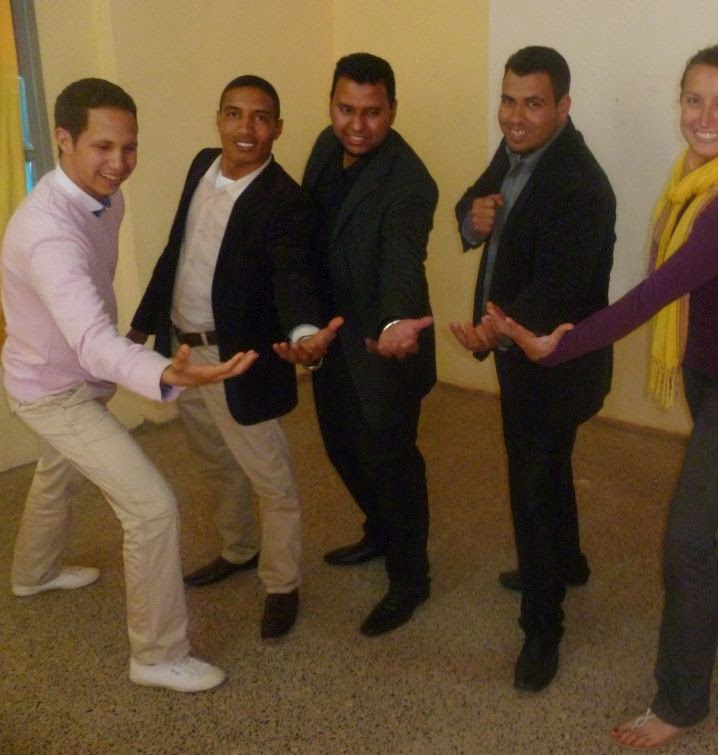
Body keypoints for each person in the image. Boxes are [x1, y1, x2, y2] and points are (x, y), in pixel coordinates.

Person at [487, 44, 718, 738]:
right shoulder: (701, 174)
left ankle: (680, 702)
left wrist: (562, 343)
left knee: (687, 537)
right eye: (693, 99)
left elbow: (657, 291)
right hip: (705, 363)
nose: (704, 115)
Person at [2, 78, 257, 691]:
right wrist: (162, 370)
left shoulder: (104, 199)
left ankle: (32, 573)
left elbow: (91, 309)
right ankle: (157, 653)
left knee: (56, 472)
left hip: (67, 371)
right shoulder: (48, 232)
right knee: (151, 507)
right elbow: (91, 337)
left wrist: (131, 346)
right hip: (52, 389)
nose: (119, 163)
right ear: (63, 140)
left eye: (130, 146)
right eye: (102, 147)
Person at [129, 75, 339, 641]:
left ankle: (282, 583)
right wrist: (141, 327)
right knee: (213, 459)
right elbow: (174, 251)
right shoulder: (202, 165)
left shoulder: (286, 199)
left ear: (278, 128)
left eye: (260, 117)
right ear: (218, 118)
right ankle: (239, 548)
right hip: (184, 349)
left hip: (236, 357)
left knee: (271, 477)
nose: (246, 128)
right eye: (235, 114)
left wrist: (304, 331)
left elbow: (293, 276)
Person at [451, 45, 616, 693]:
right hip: (516, 352)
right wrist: (472, 219)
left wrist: (496, 328)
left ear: (564, 106)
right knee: (547, 466)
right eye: (508, 100)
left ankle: (542, 627)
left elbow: (560, 286)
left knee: (532, 481)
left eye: (533, 104)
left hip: (555, 359)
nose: (515, 117)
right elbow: (474, 202)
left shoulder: (582, 185)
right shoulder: (517, 147)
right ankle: (566, 561)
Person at [276, 53, 437, 637]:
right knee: (342, 448)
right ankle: (380, 531)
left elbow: (402, 260)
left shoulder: (411, 183)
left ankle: (411, 578)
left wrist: (395, 322)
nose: (358, 125)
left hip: (380, 345)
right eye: (346, 109)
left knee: (392, 464)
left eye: (372, 112)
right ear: (331, 105)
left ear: (392, 109)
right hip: (330, 335)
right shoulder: (325, 145)